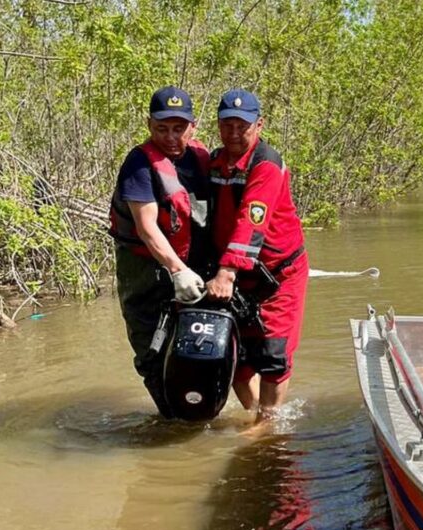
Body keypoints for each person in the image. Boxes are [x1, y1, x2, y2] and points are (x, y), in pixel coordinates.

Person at [205, 89, 308, 423]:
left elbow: (253, 218)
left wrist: (226, 272)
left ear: (259, 125)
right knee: (234, 356)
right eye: (227, 125)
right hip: (237, 273)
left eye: (242, 126)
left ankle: (267, 423)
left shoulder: (267, 163)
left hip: (278, 274)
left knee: (273, 354)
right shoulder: (215, 161)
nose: (235, 133)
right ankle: (255, 415)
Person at [110, 86, 213, 416]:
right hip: (146, 274)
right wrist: (177, 270)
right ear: (149, 125)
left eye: (178, 128)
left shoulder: (201, 159)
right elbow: (146, 226)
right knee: (153, 353)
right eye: (162, 128)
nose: (170, 137)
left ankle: (200, 415)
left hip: (195, 269)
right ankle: (170, 420)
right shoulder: (139, 165)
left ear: (193, 127)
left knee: (201, 346)